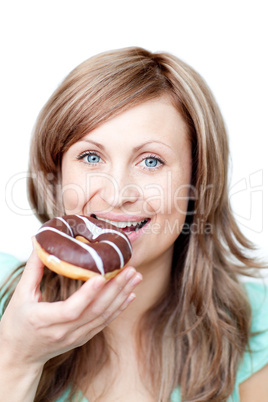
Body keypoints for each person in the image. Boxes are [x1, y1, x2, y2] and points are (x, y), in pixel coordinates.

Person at [0, 47, 267, 402]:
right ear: (57, 174)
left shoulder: (256, 324)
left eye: (151, 161)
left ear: (197, 179)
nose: (116, 194)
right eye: (91, 156)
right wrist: (17, 357)